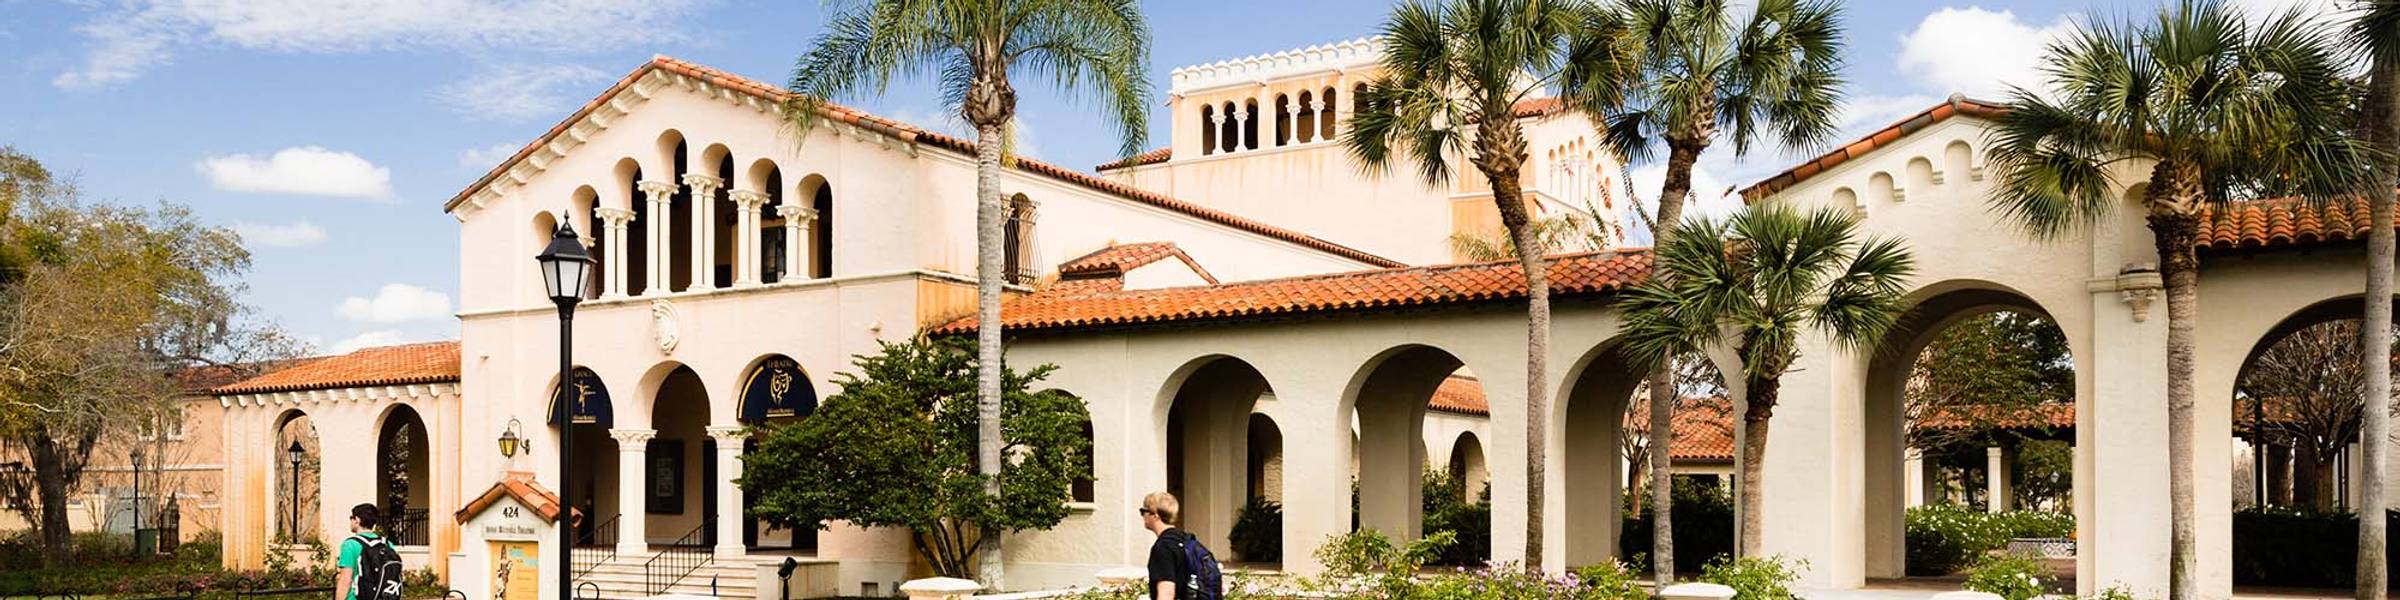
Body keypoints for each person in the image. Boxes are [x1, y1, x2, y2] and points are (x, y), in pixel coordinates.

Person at [1142, 491, 1221, 600]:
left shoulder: (1163, 547)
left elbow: (1166, 593)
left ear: (1155, 515)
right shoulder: (1188, 541)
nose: (1142, 516)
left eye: (1143, 511)